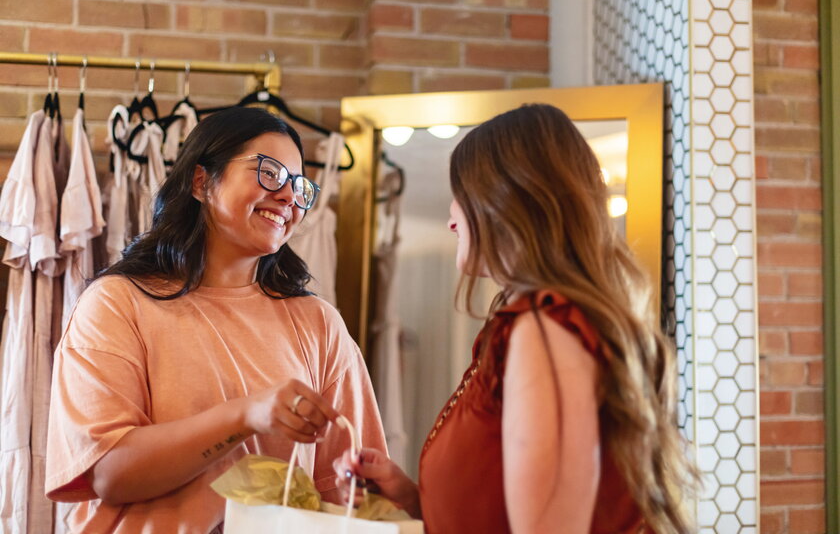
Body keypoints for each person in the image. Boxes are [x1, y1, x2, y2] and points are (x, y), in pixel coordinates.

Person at [334, 104, 698, 533]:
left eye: (462, 193)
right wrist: (412, 499)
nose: (452, 218)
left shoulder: (547, 327)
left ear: (505, 202)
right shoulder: (534, 327)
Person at [45, 107, 386, 532]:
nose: (288, 197)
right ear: (202, 182)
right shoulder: (116, 304)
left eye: (300, 187)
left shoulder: (319, 324)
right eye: (270, 173)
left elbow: (354, 492)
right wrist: (245, 415)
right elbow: (109, 472)